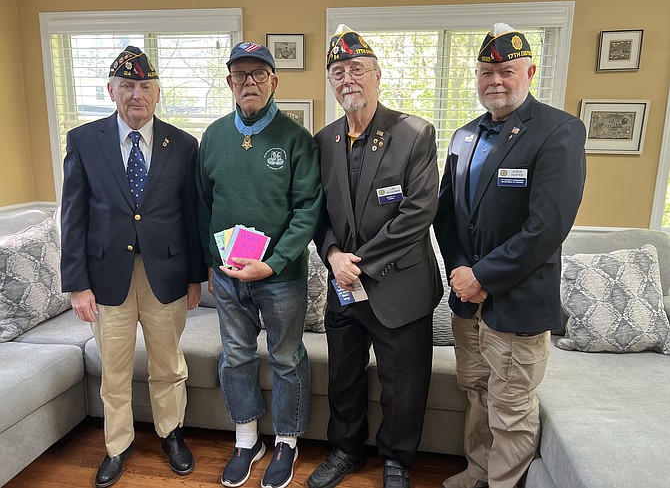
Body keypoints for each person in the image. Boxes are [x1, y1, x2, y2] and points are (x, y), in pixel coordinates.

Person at [433, 23, 587, 488]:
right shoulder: (463, 137)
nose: (495, 80)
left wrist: (482, 275)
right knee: (477, 393)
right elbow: (446, 216)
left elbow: (546, 228)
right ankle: (478, 471)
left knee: (512, 408)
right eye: (485, 71)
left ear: (530, 72)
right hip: (467, 301)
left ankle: (504, 484)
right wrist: (461, 269)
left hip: (516, 303)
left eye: (506, 71)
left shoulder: (559, 131)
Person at [60, 46, 207, 488]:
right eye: (127, 85)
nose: (136, 94)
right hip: (107, 279)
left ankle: (171, 433)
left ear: (158, 92)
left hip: (167, 275)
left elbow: (191, 214)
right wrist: (76, 285)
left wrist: (196, 274)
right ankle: (117, 446)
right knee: (115, 369)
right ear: (111, 90)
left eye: (145, 85)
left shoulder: (183, 144)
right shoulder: (84, 141)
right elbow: (73, 215)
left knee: (168, 363)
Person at [307, 25, 443, 488]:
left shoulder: (414, 133)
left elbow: (417, 214)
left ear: (377, 76)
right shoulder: (323, 141)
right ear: (331, 81)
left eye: (357, 69)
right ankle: (345, 450)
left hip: (399, 287)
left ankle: (396, 460)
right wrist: (331, 255)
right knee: (343, 378)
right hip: (342, 287)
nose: (348, 79)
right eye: (338, 71)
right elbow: (316, 212)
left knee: (402, 385)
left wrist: (356, 263)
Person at [196, 42, 323, 488]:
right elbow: (203, 203)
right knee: (236, 356)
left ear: (274, 81)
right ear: (230, 82)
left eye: (258, 75)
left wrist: (274, 263)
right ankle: (247, 438)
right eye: (240, 75)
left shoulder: (297, 139)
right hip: (228, 277)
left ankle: (286, 442)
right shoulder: (212, 137)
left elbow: (309, 209)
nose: (248, 82)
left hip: (280, 278)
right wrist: (211, 262)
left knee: (287, 358)